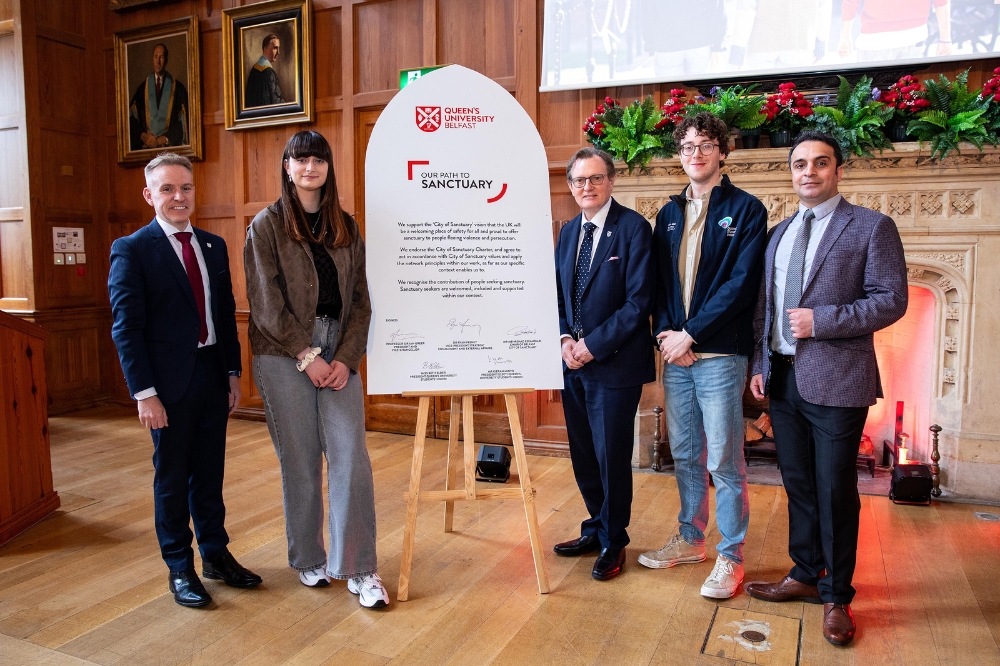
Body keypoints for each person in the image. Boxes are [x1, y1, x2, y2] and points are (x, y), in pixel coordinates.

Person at [745, 131, 908, 646]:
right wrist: (758, 362)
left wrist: (825, 320)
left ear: (838, 170)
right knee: (798, 483)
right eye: (799, 164)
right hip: (783, 377)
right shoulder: (778, 232)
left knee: (835, 490)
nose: (808, 172)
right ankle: (804, 574)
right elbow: (764, 309)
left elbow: (891, 300)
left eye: (820, 163)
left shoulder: (871, 227)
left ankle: (837, 595)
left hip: (839, 380)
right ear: (791, 172)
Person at [109, 153, 262, 608]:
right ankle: (180, 566)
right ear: (149, 194)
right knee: (172, 479)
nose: (179, 197)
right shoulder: (133, 249)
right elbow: (126, 328)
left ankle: (215, 554)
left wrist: (233, 374)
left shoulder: (213, 245)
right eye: (168, 189)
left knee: (209, 475)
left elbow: (225, 313)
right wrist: (145, 394)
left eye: (186, 188)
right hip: (165, 388)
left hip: (212, 377)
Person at [244, 131, 388, 609]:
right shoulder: (265, 225)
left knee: (351, 459)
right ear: (287, 166)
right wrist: (307, 355)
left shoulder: (345, 225)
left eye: (318, 158)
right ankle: (309, 556)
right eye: (300, 159)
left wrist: (345, 358)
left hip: (338, 351)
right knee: (302, 460)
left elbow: (363, 303)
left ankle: (360, 569)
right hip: (284, 352)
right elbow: (265, 303)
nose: (310, 167)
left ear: (328, 166)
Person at [638, 113, 767, 600]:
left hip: (718, 355)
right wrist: (668, 338)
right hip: (677, 355)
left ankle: (730, 557)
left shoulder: (747, 210)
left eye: (706, 144)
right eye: (688, 145)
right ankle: (691, 539)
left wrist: (690, 334)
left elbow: (740, 286)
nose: (696, 153)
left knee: (725, 462)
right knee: (687, 454)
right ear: (680, 155)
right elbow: (659, 286)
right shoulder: (668, 214)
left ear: (722, 152)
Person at [552, 147, 655, 581]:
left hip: (613, 364)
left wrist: (591, 345)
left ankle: (615, 539)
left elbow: (639, 303)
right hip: (570, 364)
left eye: (595, 179)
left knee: (611, 456)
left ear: (611, 181)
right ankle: (596, 525)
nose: (586, 187)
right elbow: (556, 295)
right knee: (583, 455)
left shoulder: (633, 229)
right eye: (579, 180)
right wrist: (563, 339)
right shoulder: (567, 232)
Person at [128, 44, 189, 151]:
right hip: (146, 149)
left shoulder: (178, 88)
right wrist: (144, 136)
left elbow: (185, 122)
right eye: (156, 57)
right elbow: (131, 120)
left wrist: (165, 138)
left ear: (166, 59)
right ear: (152, 59)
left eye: (161, 57)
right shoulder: (142, 89)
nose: (158, 61)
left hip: (169, 150)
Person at [245, 33, 285, 108]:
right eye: (275, 48)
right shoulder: (268, 73)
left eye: (278, 48)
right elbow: (276, 102)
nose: (278, 53)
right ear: (265, 49)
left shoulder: (254, 69)